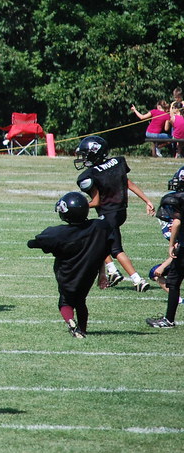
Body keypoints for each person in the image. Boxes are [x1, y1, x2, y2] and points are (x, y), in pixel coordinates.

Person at [28, 192, 115, 338]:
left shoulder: (58, 233)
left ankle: (71, 322)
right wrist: (102, 273)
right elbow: (102, 249)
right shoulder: (99, 227)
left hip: (67, 273)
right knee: (81, 300)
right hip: (88, 273)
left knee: (65, 301)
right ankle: (82, 329)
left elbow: (32, 243)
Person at [74, 135, 155, 291]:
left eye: (85, 154)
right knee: (97, 238)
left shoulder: (90, 175)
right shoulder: (116, 163)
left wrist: (80, 206)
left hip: (108, 214)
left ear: (94, 153)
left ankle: (137, 279)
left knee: (116, 249)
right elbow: (128, 184)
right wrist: (147, 200)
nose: (83, 158)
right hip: (120, 212)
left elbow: (96, 202)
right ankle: (112, 270)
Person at [147, 167, 183, 328]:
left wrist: (171, 245)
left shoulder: (177, 200)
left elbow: (176, 222)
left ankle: (168, 319)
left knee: (174, 282)